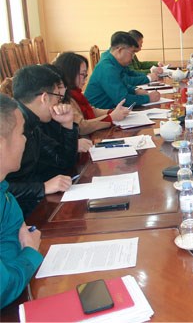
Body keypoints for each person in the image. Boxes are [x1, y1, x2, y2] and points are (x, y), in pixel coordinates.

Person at [6, 65, 79, 218]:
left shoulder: (32, 123)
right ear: (45, 98)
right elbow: (3, 187)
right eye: (57, 98)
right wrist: (42, 187)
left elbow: (63, 160)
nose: (59, 103)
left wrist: (67, 126)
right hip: (17, 215)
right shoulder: (10, 126)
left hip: (30, 207)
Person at [0, 94, 43, 308]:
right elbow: (3, 288)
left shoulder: (4, 193)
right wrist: (30, 255)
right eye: (21, 133)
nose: (25, 139)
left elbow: (11, 248)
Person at [54, 52, 130, 135]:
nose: (85, 79)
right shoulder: (64, 98)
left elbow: (91, 110)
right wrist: (111, 118)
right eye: (83, 74)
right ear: (70, 74)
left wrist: (112, 112)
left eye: (86, 75)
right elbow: (81, 126)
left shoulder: (76, 93)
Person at [85, 31, 161, 108]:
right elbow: (123, 100)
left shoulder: (114, 61)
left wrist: (135, 90)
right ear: (120, 50)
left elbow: (122, 83)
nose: (132, 58)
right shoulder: (107, 68)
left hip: (111, 109)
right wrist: (148, 98)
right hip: (98, 113)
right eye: (132, 53)